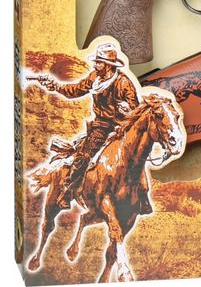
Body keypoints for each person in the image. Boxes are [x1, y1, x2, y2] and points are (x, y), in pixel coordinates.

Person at [42, 43, 152, 213]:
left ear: (108, 65)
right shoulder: (95, 78)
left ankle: (143, 196)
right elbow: (76, 90)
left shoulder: (123, 82)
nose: (95, 65)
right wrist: (56, 86)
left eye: (99, 62)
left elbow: (135, 109)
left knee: (135, 156)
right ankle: (68, 191)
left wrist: (127, 110)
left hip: (121, 125)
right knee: (84, 155)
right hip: (101, 125)